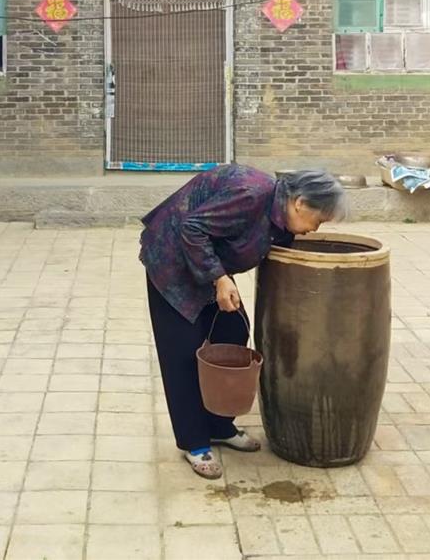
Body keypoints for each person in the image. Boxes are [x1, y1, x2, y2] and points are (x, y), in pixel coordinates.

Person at [139, 163, 345, 479]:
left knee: (232, 331)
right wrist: (220, 279)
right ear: (300, 202)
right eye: (317, 221)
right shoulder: (251, 194)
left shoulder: (281, 218)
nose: (314, 229)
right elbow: (192, 228)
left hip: (208, 262)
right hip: (172, 261)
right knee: (182, 352)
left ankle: (219, 425)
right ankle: (195, 443)